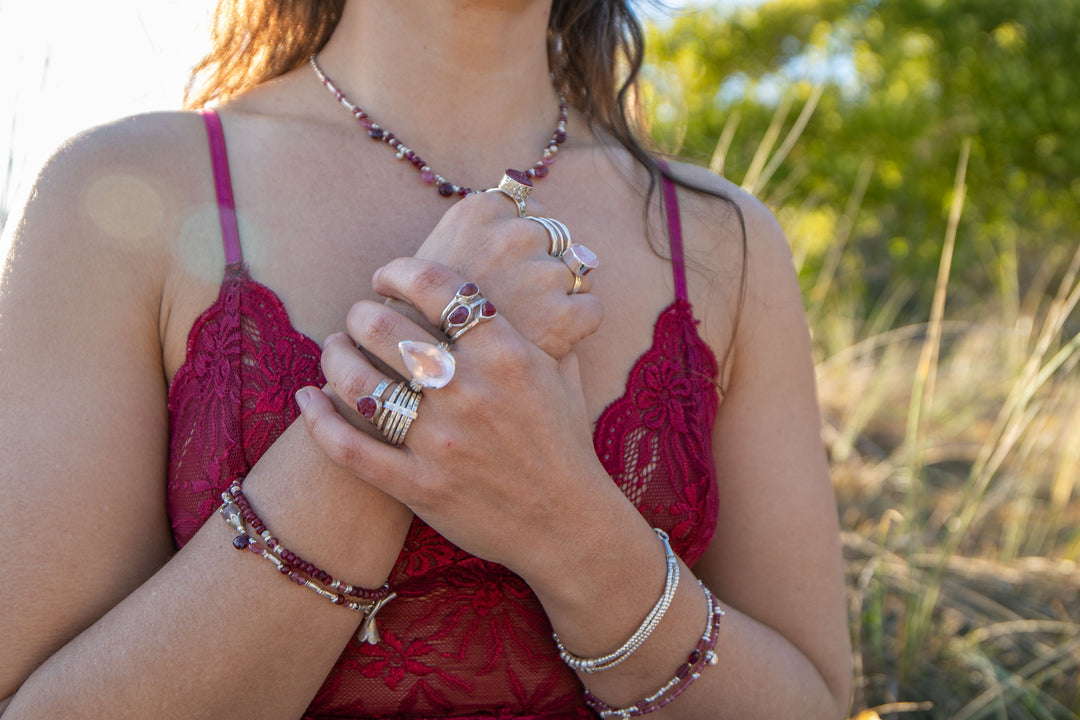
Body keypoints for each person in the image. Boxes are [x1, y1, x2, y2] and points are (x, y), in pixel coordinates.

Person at [0, 0, 853, 717]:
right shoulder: (121, 191)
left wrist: (566, 520)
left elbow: (812, 701)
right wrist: (414, 381)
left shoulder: (724, 239)